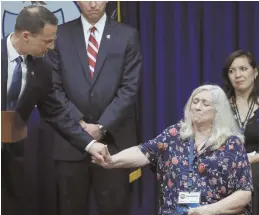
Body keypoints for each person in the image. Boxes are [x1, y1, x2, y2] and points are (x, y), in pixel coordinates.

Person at [1, 5, 106, 215]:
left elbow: (56, 113)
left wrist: (89, 144)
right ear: (26, 36)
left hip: (11, 160)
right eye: (47, 41)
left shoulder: (42, 66)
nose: (51, 47)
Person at [92, 85, 253, 215]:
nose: (197, 107)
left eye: (205, 103)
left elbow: (244, 194)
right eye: (195, 101)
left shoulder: (232, 144)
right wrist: (112, 160)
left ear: (218, 110)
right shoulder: (174, 135)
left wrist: (209, 210)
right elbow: (143, 152)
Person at [45, 1, 142, 215]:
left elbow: (130, 88)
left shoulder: (127, 35)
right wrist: (80, 124)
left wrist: (101, 126)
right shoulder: (59, 35)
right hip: (69, 143)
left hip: (113, 143)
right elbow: (52, 88)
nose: (92, 3)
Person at [222, 50, 259, 215]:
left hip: (257, 164)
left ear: (255, 72)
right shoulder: (219, 106)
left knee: (253, 175)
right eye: (232, 71)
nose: (237, 75)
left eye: (243, 69)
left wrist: (251, 159)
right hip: (226, 166)